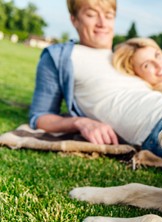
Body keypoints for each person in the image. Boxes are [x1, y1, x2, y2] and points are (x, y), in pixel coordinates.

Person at [29, 0, 119, 145]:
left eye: (109, 16)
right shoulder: (60, 57)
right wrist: (80, 122)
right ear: (74, 20)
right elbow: (40, 115)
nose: (102, 23)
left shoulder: (127, 56)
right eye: (91, 15)